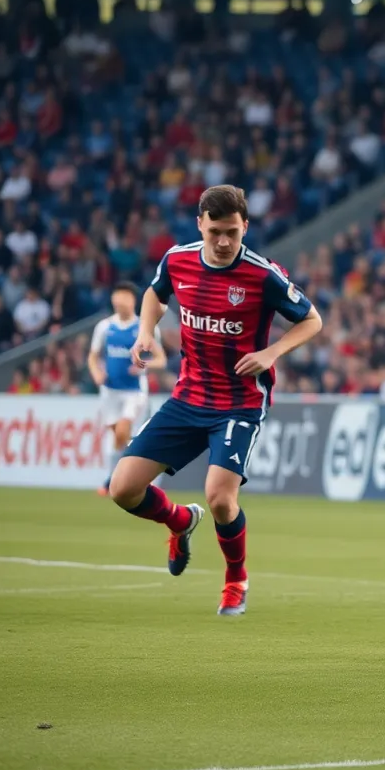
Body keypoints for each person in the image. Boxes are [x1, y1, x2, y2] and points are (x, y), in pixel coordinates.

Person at [108, 186, 322, 615]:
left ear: (245, 227)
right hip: (188, 397)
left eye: (232, 233)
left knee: (221, 498)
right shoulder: (177, 259)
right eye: (215, 232)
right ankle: (180, 520)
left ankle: (236, 579)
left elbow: (312, 320)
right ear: (200, 225)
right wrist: (146, 332)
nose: (224, 242)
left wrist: (272, 352)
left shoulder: (262, 275)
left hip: (240, 402)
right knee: (123, 489)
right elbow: (155, 294)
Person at [89, 282, 167, 496]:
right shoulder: (105, 327)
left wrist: (143, 365)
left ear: (133, 300)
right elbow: (93, 356)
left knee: (123, 431)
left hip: (134, 391)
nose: (119, 300)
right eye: (116, 296)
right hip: (110, 391)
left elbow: (160, 359)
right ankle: (124, 477)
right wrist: (96, 373)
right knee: (118, 438)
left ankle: (116, 480)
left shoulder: (144, 327)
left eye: (124, 296)